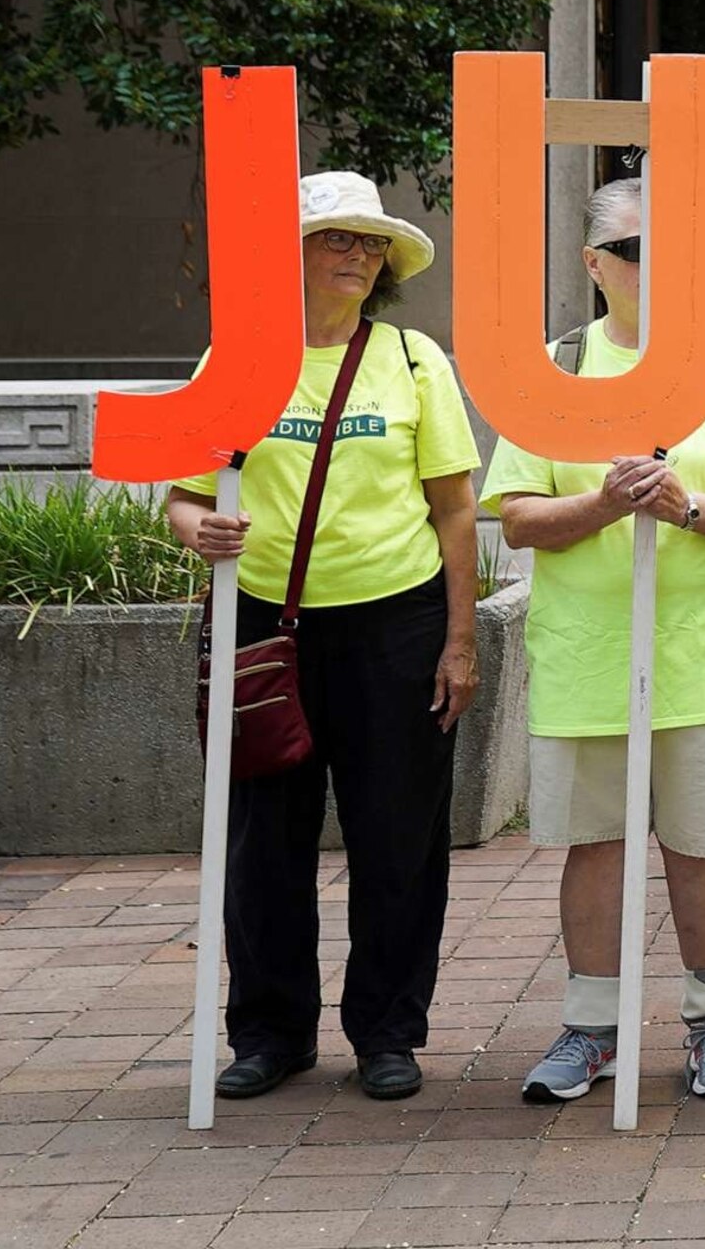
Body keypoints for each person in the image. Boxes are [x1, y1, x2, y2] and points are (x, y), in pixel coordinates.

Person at [166, 172, 482, 1103]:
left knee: (398, 842)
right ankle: (269, 1034)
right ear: (290, 254)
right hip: (265, 624)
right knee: (262, 843)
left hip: (398, 624)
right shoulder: (236, 360)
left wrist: (460, 642)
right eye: (337, 237)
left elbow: (456, 513)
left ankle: (388, 1033)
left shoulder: (416, 360)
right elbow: (182, 499)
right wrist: (200, 533)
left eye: (370, 243)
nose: (358, 255)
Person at [482, 179, 705, 1107]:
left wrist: (687, 507)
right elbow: (518, 518)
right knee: (596, 842)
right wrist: (602, 503)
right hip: (589, 651)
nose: (655, 272)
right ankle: (592, 1029)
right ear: (593, 265)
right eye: (633, 252)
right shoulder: (552, 368)